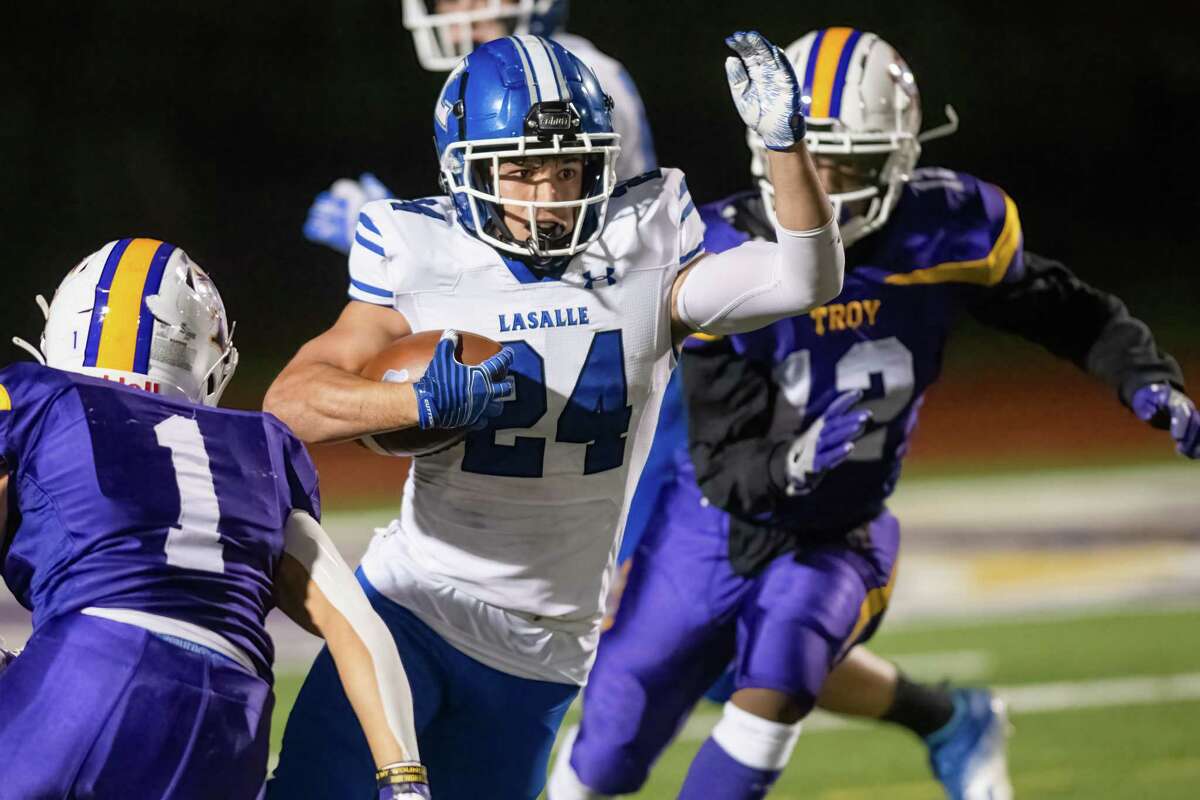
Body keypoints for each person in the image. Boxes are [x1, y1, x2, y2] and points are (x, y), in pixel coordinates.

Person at [548, 27, 1199, 800]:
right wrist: (786, 463)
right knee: (607, 751)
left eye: (846, 165)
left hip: (838, 530)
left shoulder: (946, 229)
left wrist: (1144, 377)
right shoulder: (720, 254)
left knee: (779, 675)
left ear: (898, 159)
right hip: (709, 521)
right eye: (807, 159)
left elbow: (1067, 311)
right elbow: (722, 459)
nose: (820, 187)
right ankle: (951, 719)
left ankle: (942, 720)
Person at [266, 31, 844, 800]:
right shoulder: (423, 257)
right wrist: (414, 401)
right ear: (467, 170)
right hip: (413, 602)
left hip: (545, 642)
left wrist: (785, 146)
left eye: (567, 168)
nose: (549, 196)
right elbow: (292, 400)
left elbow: (807, 275)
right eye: (523, 171)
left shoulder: (645, 251)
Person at [0, 238, 430, 800]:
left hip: (93, 669)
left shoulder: (38, 398)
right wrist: (404, 779)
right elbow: (359, 629)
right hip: (232, 720)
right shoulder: (262, 445)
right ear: (209, 354)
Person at [305, 0, 655, 256]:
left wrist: (396, 243)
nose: (459, 17)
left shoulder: (568, 77)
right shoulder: (505, 73)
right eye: (448, 2)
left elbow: (535, 228)